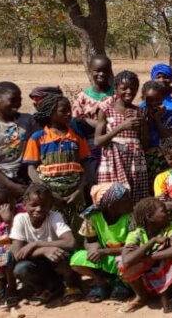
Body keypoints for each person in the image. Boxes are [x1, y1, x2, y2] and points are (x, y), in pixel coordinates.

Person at [22, 94, 88, 232]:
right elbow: (31, 170)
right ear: (51, 113)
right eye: (63, 111)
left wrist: (79, 190)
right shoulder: (38, 138)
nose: (69, 113)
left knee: (77, 229)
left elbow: (85, 166)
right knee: (51, 229)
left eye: (69, 109)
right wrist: (49, 193)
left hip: (74, 195)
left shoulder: (77, 137)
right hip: (48, 197)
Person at [9, 184, 82, 305]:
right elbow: (17, 253)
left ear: (50, 206)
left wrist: (37, 244)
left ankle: (71, 285)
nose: (38, 209)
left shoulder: (54, 216)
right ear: (24, 205)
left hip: (55, 261)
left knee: (62, 256)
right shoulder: (20, 219)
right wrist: (44, 250)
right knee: (21, 269)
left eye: (43, 205)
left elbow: (70, 241)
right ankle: (43, 289)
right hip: (37, 263)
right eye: (34, 205)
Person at [119, 197, 172, 313]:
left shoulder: (168, 228)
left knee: (169, 254)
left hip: (164, 273)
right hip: (146, 276)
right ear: (150, 217)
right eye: (163, 211)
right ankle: (141, 296)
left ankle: (166, 294)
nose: (168, 212)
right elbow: (126, 260)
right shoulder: (136, 234)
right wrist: (152, 241)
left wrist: (148, 257)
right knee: (121, 263)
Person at [70, 183, 135, 303]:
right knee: (76, 259)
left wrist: (104, 252)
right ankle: (103, 282)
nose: (131, 200)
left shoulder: (131, 217)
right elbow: (89, 241)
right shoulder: (93, 217)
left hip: (125, 257)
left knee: (127, 263)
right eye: (125, 198)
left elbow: (133, 247)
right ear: (111, 204)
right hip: (106, 256)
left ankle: (122, 283)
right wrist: (94, 250)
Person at [0, 81, 37, 198]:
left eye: (19, 100)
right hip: (3, 177)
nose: (17, 104)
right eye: (13, 100)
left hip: (28, 176)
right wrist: (9, 184)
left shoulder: (29, 121)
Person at [96, 71, 151, 200]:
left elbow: (145, 145)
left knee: (134, 200)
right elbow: (98, 141)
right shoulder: (106, 110)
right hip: (113, 161)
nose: (129, 92)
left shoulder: (141, 111)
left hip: (135, 161)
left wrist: (143, 125)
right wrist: (121, 126)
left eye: (133, 88)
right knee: (112, 198)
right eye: (124, 88)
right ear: (115, 89)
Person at [72, 54, 114, 186]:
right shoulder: (82, 98)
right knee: (92, 181)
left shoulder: (117, 96)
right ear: (90, 71)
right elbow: (76, 123)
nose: (101, 74)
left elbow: (116, 123)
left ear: (110, 72)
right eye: (97, 71)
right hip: (87, 147)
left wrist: (88, 121)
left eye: (105, 71)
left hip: (112, 145)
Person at [142, 80, 172, 177]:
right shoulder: (140, 113)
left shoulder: (171, 114)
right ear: (143, 98)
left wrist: (157, 119)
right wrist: (148, 119)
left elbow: (170, 138)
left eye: (158, 99)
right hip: (143, 157)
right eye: (150, 99)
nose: (154, 103)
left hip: (164, 158)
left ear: (163, 98)